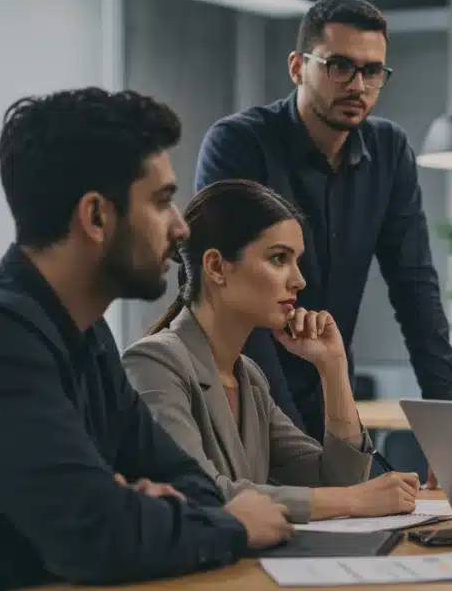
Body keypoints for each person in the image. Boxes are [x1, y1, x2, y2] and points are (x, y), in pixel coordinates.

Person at [0, 88, 293, 590]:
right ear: (96, 216)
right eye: (162, 201)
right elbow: (98, 533)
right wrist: (234, 525)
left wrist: (139, 511)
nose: (181, 227)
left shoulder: (86, 332)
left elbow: (190, 485)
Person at [195, 0, 452, 487]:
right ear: (298, 67)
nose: (358, 85)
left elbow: (415, 288)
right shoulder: (238, 145)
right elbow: (235, 296)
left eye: (373, 71)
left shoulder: (389, 151)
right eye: (339, 66)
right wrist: (296, 441)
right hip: (241, 393)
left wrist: (451, 434)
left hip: (329, 382)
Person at [124, 179, 422, 524]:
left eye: (296, 261)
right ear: (217, 267)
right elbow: (199, 492)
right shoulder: (153, 362)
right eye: (279, 258)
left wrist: (333, 367)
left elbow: (337, 481)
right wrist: (355, 499)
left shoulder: (248, 376)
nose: (299, 280)